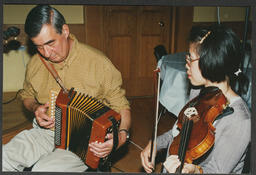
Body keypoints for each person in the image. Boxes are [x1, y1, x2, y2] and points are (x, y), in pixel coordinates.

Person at [3, 5, 131, 172]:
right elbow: (27, 96)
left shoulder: (99, 64)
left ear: (65, 31)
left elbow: (122, 108)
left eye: (50, 43)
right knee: (4, 157)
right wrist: (35, 108)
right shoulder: (35, 63)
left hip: (83, 140)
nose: (47, 53)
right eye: (39, 46)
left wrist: (120, 137)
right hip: (46, 132)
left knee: (43, 170)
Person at [140, 24, 251, 174]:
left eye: (190, 58)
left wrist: (194, 171)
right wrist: (155, 144)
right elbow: (178, 132)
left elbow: (217, 170)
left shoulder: (240, 120)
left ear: (209, 62)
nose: (186, 64)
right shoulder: (199, 92)